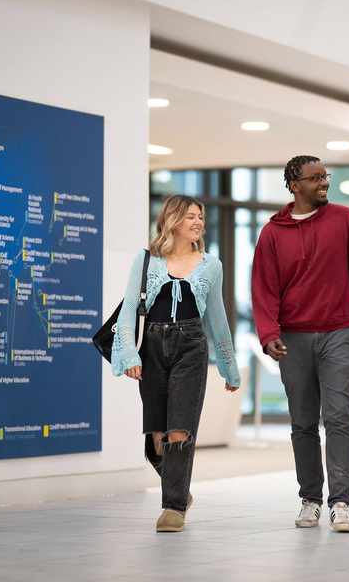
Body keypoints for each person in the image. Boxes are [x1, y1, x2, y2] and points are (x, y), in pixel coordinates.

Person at [251, 155, 349, 533]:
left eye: (326, 176)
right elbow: (264, 288)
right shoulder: (273, 233)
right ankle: (310, 499)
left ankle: (341, 502)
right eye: (315, 178)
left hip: (340, 332)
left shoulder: (346, 221)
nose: (324, 183)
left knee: (339, 417)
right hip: (293, 338)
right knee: (303, 422)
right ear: (294, 184)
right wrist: (269, 333)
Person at [111, 195, 240, 533]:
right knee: (156, 436)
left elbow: (216, 317)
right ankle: (178, 485)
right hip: (152, 345)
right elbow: (127, 313)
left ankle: (173, 506)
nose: (198, 222)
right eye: (191, 217)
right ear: (172, 220)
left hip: (191, 346)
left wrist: (228, 365)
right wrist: (128, 354)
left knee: (180, 429)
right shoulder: (145, 260)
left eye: (201, 217)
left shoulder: (211, 264)